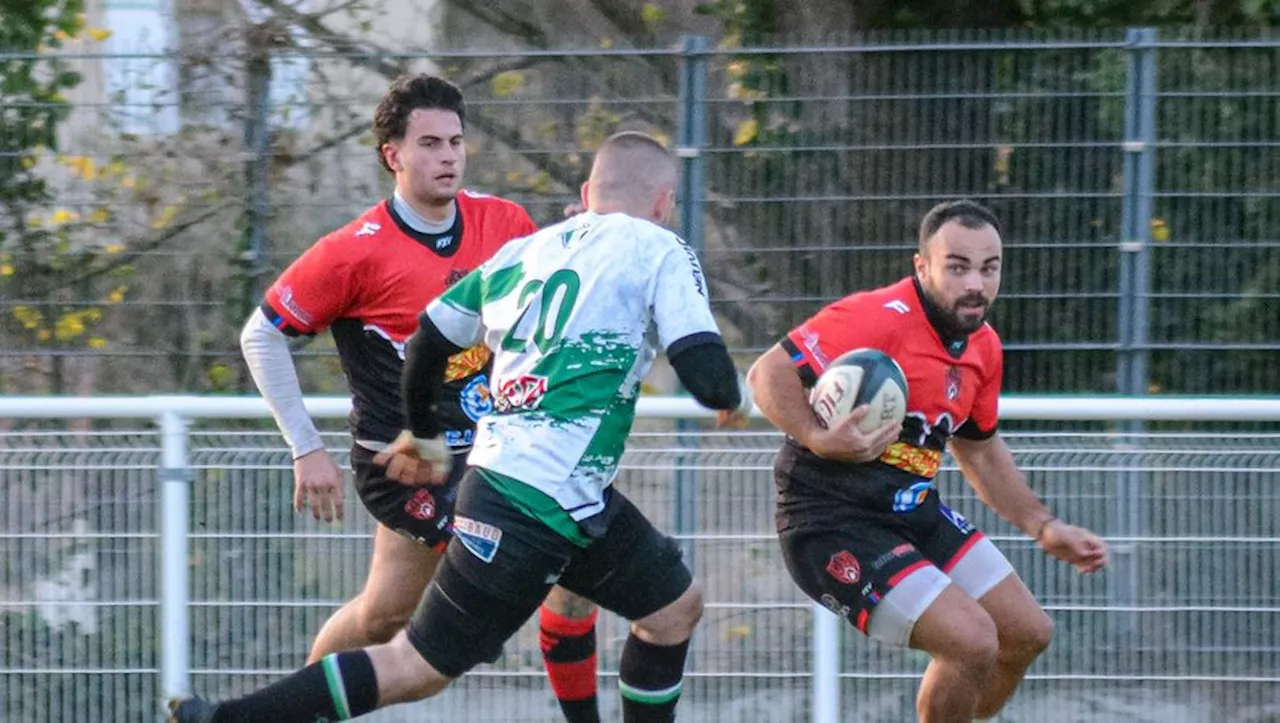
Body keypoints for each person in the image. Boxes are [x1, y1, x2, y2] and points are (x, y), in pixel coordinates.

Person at [170, 130, 753, 723]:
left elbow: (428, 339)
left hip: (547, 491)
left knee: (674, 609)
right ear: (663, 202)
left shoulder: (526, 251)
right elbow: (707, 379)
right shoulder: (659, 247)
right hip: (532, 505)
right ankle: (224, 720)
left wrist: (423, 434)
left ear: (586, 191)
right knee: (413, 667)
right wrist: (739, 395)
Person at [236, 72, 602, 722]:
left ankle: (296, 704)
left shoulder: (505, 223)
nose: (449, 156)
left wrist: (578, 239)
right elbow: (262, 335)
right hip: (403, 464)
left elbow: (550, 295)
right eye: (430, 143)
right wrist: (306, 447)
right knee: (549, 558)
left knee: (382, 612)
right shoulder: (353, 252)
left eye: (456, 141)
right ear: (393, 155)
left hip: (490, 455)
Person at [746, 200, 1109, 723]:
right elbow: (767, 373)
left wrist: (1043, 524)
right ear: (923, 267)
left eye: (989, 268)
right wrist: (816, 436)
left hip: (910, 510)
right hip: (828, 520)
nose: (976, 284)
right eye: (958, 266)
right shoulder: (876, 318)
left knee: (1026, 634)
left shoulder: (983, 347)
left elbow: (979, 450)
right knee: (972, 641)